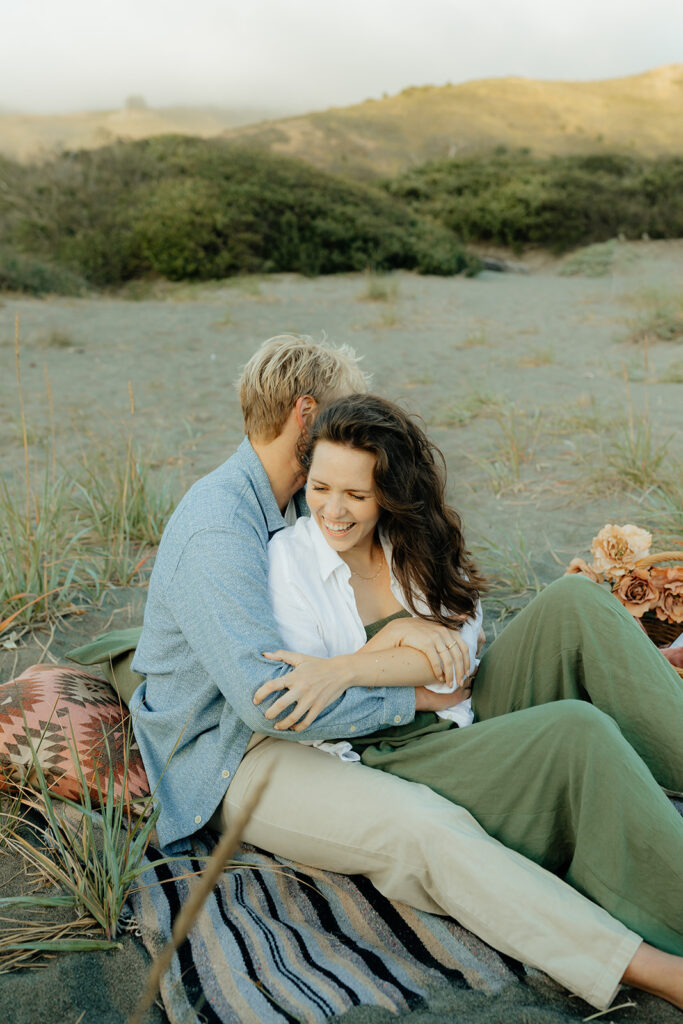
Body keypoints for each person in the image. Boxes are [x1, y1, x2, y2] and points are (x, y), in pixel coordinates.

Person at [130, 335, 678, 1012]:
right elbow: (270, 704)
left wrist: (416, 645)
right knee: (423, 826)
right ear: (308, 415)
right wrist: (415, 689)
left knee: (572, 603)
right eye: (342, 409)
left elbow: (436, 612)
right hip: (236, 754)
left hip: (395, 702)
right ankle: (648, 966)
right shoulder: (223, 528)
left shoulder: (313, 498)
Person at [258, 393, 683, 1008]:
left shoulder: (411, 536)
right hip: (390, 749)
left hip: (467, 708)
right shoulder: (288, 563)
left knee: (577, 601)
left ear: (391, 490)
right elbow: (319, 696)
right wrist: (400, 657)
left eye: (357, 494)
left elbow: (461, 651)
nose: (334, 510)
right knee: (575, 731)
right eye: (321, 488)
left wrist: (362, 665)